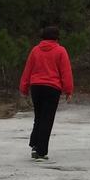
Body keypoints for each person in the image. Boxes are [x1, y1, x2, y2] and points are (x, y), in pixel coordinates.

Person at [19, 25, 74, 162]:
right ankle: (41, 151)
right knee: (47, 119)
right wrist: (68, 90)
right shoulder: (60, 51)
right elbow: (66, 72)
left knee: (38, 117)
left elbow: (28, 70)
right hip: (52, 88)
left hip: (36, 87)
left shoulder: (35, 50)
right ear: (57, 37)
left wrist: (24, 88)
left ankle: (35, 145)